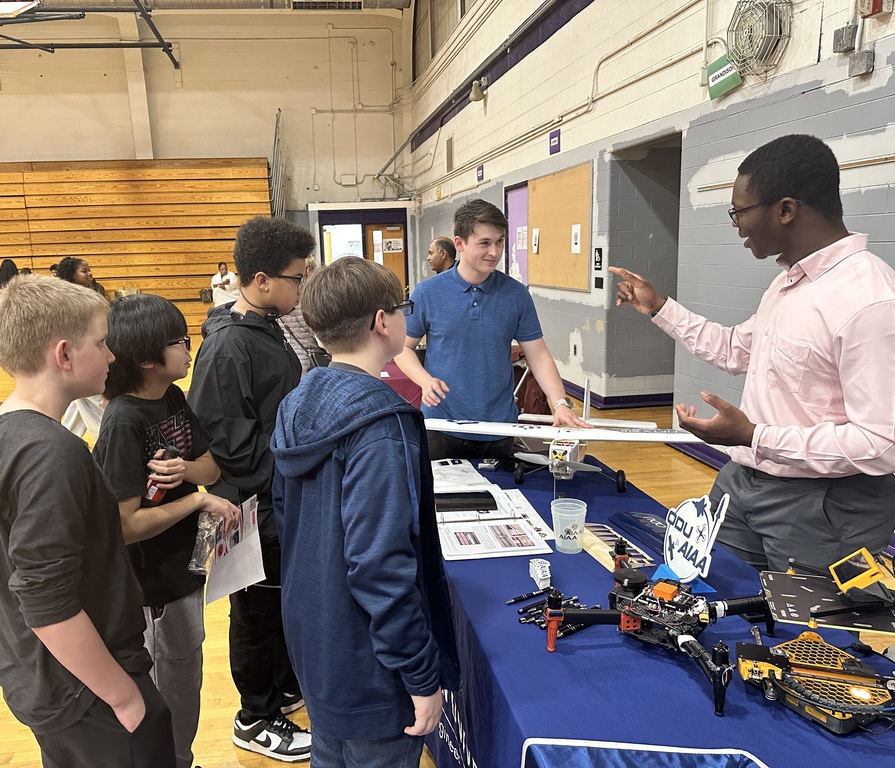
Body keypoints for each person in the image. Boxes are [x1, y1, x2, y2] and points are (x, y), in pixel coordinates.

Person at [610, 134, 895, 573]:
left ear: (785, 210)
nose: (736, 224)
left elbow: (880, 444)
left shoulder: (868, 300)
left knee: (807, 638)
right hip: (741, 483)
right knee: (713, 604)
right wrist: (659, 307)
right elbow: (734, 350)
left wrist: (754, 436)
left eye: (740, 212)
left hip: (823, 509)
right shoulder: (787, 284)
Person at [0, 273, 175, 767]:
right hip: (87, 692)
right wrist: (123, 697)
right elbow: (45, 600)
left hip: (55, 682)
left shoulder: (0, 433)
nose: (111, 356)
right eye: (102, 344)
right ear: (63, 355)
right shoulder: (50, 454)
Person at [271, 257, 459, 768]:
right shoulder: (381, 422)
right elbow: (379, 563)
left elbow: (289, 524)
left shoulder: (295, 403)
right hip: (372, 667)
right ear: (383, 321)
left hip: (318, 645)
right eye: (403, 308)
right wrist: (421, 674)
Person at [93, 293, 242, 768]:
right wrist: (196, 497)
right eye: (178, 341)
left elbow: (211, 467)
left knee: (187, 675)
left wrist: (191, 478)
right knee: (170, 682)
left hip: (185, 568)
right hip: (153, 584)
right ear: (144, 358)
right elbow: (126, 526)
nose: (188, 347)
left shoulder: (172, 396)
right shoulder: (123, 422)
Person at [187, 216, 314, 762]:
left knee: (280, 602)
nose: (301, 288)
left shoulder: (269, 328)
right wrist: (303, 463)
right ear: (261, 280)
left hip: (276, 500)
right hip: (244, 508)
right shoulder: (227, 349)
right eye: (296, 279)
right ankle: (253, 716)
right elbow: (231, 448)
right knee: (255, 611)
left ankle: (281, 688)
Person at [394, 199, 587, 460]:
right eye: (484, 243)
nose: (494, 252)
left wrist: (560, 403)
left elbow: (538, 355)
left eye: (499, 242)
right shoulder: (428, 292)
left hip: (499, 426)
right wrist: (425, 381)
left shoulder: (516, 295)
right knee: (443, 500)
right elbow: (402, 348)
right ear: (460, 243)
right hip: (441, 426)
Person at [56, 257, 109, 438]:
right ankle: (107, 441)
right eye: (84, 271)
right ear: (72, 274)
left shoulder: (90, 293)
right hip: (80, 356)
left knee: (78, 404)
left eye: (89, 270)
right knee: (95, 402)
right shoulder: (67, 299)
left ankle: (66, 438)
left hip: (89, 352)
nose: (90, 274)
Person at [278, 254, 330, 375]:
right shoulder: (311, 301)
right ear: (308, 271)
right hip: (311, 361)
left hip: (290, 359)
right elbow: (320, 338)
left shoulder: (284, 300)